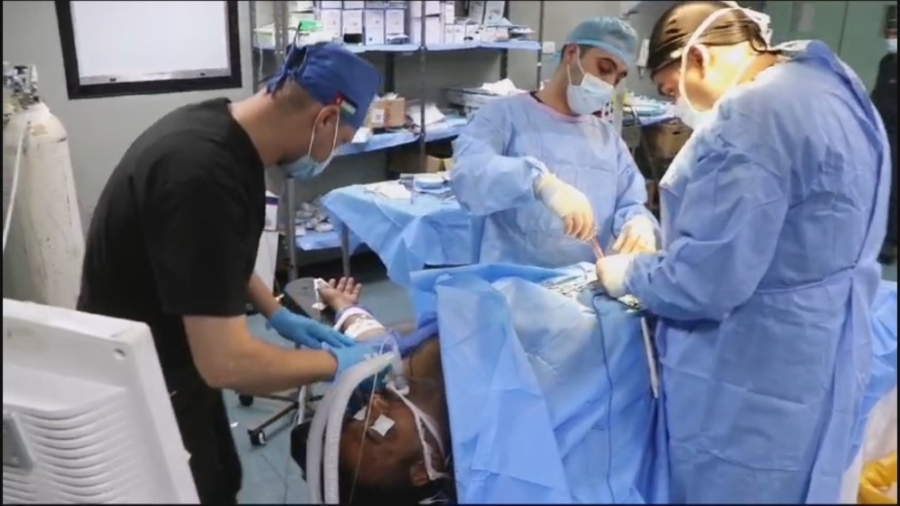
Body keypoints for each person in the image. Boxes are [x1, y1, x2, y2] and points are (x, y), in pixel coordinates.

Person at [594, 1, 891, 503]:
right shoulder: (829, 83)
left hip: (757, 370)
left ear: (699, 59)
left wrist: (631, 275)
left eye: (671, 90)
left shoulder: (752, 118)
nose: (678, 107)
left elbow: (704, 282)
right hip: (824, 344)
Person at [77, 42, 385, 504]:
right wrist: (338, 365)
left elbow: (210, 255)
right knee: (200, 490)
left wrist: (274, 310)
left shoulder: (221, 131)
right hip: (145, 378)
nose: (331, 155)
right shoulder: (202, 173)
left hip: (176, 349)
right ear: (324, 119)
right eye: (339, 142)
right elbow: (227, 363)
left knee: (223, 472)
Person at [451, 17, 659, 268]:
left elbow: (630, 201)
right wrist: (539, 183)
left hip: (583, 284)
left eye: (618, 78)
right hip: (511, 282)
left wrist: (638, 222)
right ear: (572, 54)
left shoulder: (608, 139)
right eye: (605, 68)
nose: (609, 84)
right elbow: (468, 176)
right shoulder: (501, 116)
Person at [873, 13, 897, 264]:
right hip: (881, 134)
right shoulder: (887, 62)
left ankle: (889, 242)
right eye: (890, 31)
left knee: (894, 191)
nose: (892, 36)